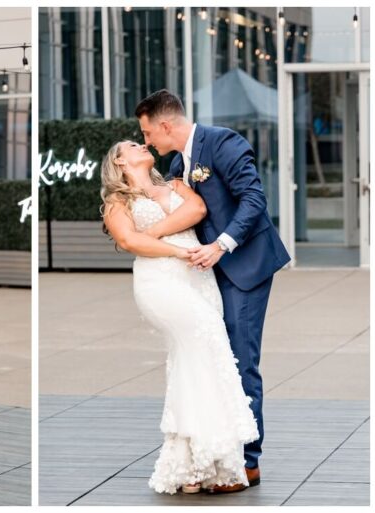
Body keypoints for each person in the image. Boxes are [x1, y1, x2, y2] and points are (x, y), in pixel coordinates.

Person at [135, 89, 290, 493]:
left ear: (166, 125)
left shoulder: (222, 141)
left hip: (244, 265)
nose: (147, 140)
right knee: (218, 357)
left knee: (240, 359)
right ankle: (221, 453)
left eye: (148, 132)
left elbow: (254, 198)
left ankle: (247, 464)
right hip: (206, 274)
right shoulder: (175, 163)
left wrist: (222, 244)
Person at [101, 139, 260, 494]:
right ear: (120, 161)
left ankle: (198, 464)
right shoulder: (117, 201)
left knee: (199, 360)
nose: (140, 144)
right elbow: (129, 243)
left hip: (198, 278)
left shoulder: (174, 184)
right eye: (130, 144)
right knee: (202, 344)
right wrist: (176, 250)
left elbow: (197, 211)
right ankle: (201, 459)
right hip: (161, 282)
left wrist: (153, 234)